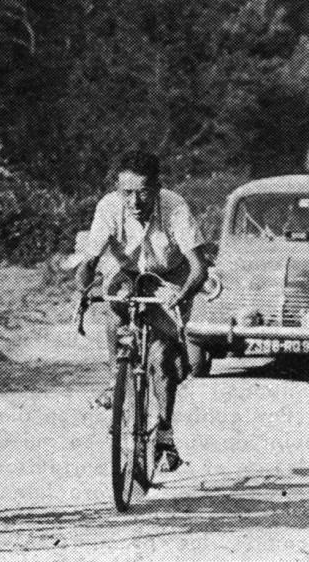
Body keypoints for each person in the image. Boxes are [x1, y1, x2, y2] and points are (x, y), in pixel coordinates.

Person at [73, 150, 208, 472]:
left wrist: (182, 295)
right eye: (126, 192)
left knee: (162, 360)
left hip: (169, 275)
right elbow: (89, 264)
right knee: (114, 306)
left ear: (157, 188)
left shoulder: (175, 208)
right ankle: (114, 380)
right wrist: (83, 289)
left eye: (143, 192)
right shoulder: (108, 207)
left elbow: (198, 268)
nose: (134, 201)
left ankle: (165, 432)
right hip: (126, 271)